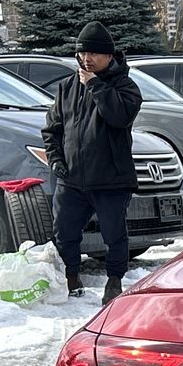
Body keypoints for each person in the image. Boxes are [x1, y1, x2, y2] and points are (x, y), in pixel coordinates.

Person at [41, 21, 142, 306]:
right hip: (72, 179)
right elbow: (52, 129)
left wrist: (95, 86)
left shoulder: (125, 87)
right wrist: (57, 160)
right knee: (64, 231)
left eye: (94, 53)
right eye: (83, 53)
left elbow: (119, 117)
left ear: (109, 56)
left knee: (114, 234)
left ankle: (114, 280)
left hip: (111, 179)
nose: (87, 59)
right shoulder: (67, 87)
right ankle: (71, 278)